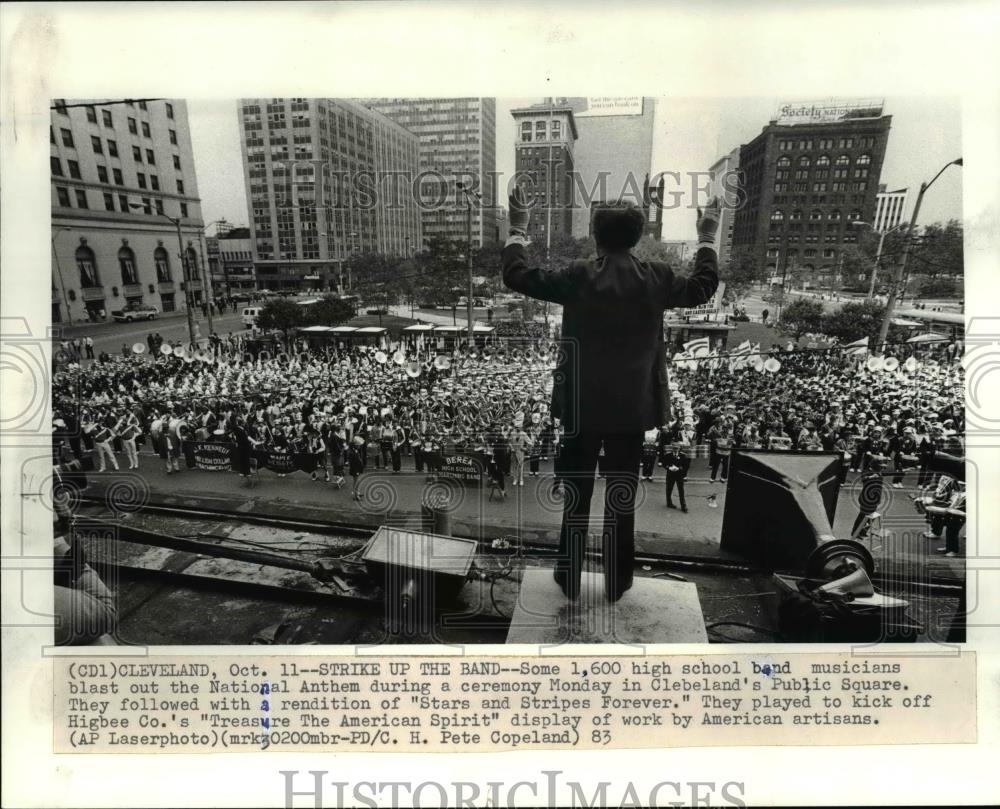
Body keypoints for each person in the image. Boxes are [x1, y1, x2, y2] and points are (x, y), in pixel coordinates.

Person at [502, 188, 719, 601]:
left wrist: (518, 226)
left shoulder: (579, 275)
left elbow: (516, 275)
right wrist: (707, 236)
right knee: (622, 497)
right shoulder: (657, 277)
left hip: (580, 408)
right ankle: (618, 583)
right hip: (633, 411)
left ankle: (569, 579)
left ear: (595, 237)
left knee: (576, 494)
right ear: (637, 238)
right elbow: (704, 285)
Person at [663, 443, 690, 512]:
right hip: (670, 475)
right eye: (674, 448)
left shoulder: (683, 456)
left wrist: (680, 469)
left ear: (679, 448)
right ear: (672, 448)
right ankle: (669, 503)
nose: (675, 449)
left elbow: (686, 466)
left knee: (681, 491)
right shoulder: (668, 455)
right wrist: (669, 467)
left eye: (677, 448)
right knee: (669, 490)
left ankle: (683, 506)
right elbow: (664, 464)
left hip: (679, 475)